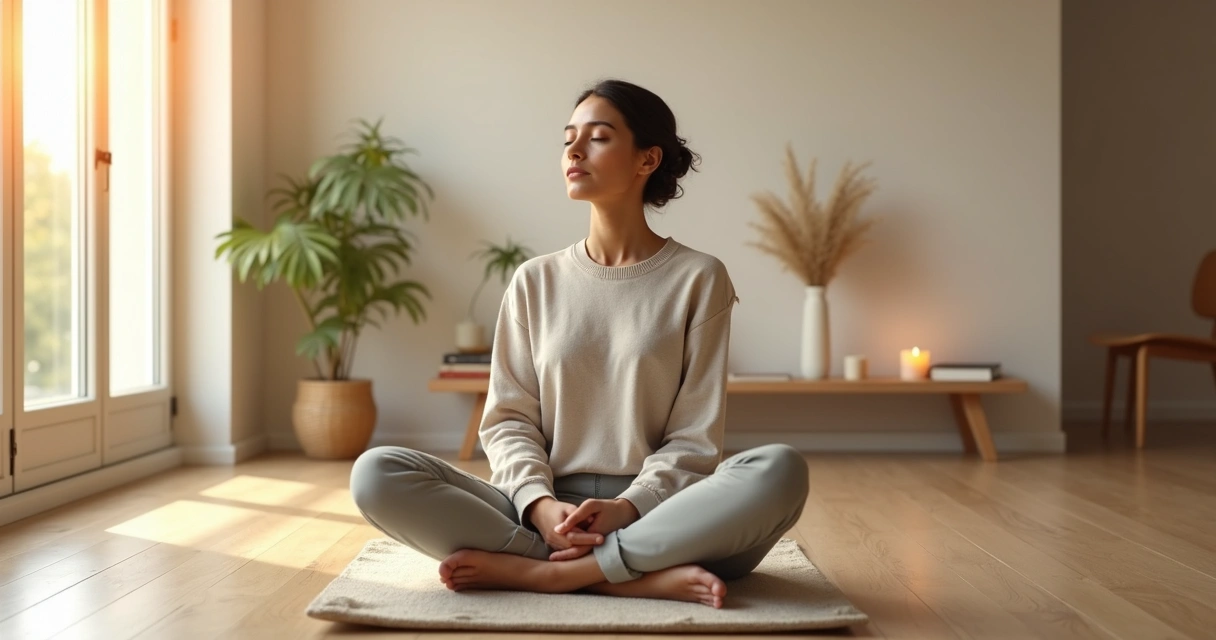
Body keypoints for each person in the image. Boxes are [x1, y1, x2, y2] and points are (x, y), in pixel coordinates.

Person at [350, 79, 808, 609]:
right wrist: (540, 505)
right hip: (543, 514)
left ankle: (543, 574)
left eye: (598, 137)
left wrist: (629, 508)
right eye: (569, 137)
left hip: (665, 514)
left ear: (647, 160)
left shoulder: (700, 278)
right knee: (376, 472)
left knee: (779, 469)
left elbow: (695, 438)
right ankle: (630, 576)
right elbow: (509, 420)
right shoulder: (534, 281)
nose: (574, 149)